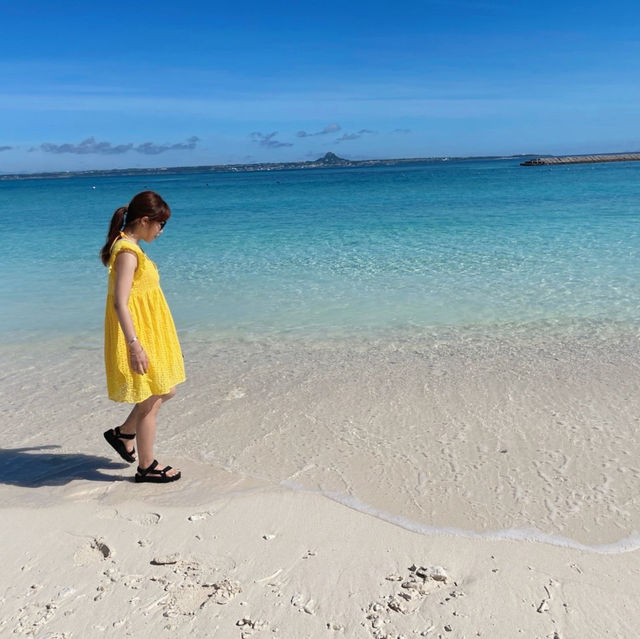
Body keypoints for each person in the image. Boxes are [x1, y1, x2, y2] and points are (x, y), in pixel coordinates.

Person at [100, 191, 185, 483]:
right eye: (160, 224)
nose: (161, 231)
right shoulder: (126, 251)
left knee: (166, 389)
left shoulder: (132, 246)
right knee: (152, 396)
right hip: (139, 334)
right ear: (145, 220)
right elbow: (119, 302)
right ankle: (146, 466)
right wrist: (134, 345)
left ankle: (124, 434)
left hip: (150, 331)